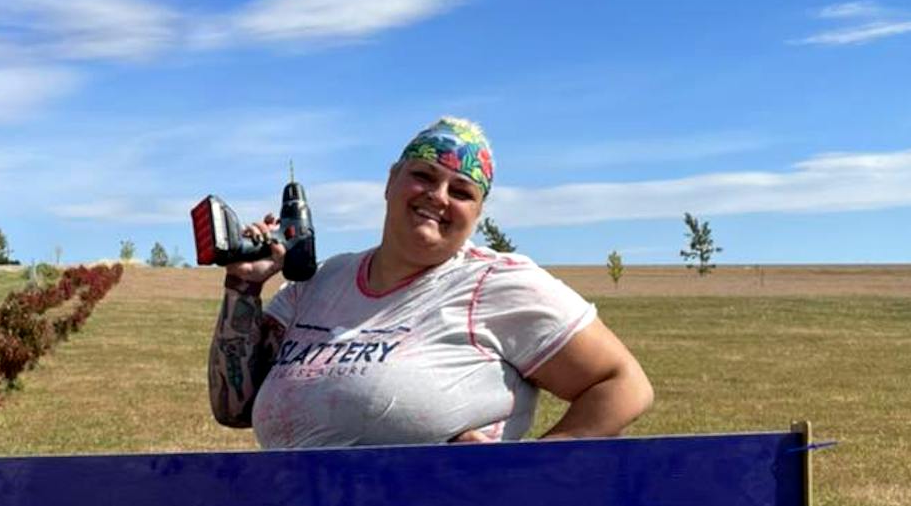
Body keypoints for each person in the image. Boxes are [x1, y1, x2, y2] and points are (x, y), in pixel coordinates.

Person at [207, 117, 652, 448]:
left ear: (477, 213)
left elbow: (623, 383)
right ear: (390, 181)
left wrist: (524, 474)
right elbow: (235, 409)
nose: (437, 197)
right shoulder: (322, 282)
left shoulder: (496, 283)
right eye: (423, 175)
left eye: (461, 191)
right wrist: (243, 288)